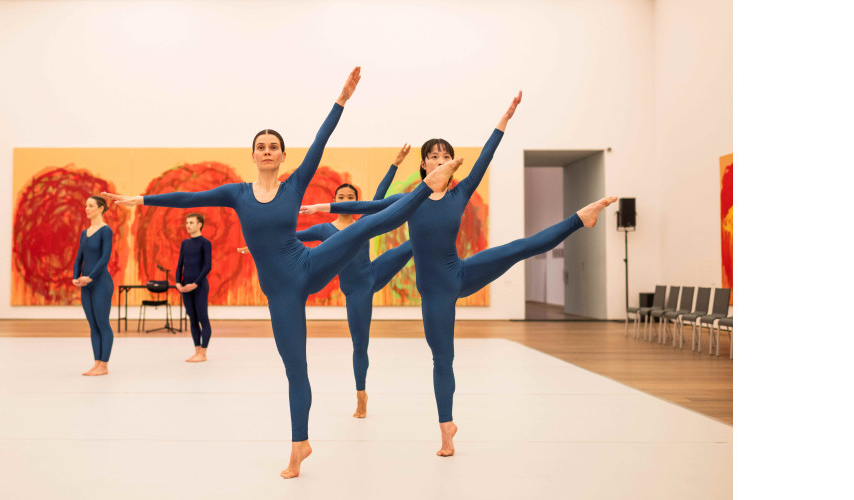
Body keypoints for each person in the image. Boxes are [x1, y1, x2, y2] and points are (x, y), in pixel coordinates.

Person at [100, 67, 464, 478]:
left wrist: (341, 100)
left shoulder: (294, 186)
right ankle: (300, 444)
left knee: (366, 225)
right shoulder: (236, 194)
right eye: (262, 146)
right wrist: (139, 199)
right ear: (253, 154)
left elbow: (322, 143)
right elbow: (188, 197)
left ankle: (427, 186)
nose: (268, 151)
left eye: (274, 146)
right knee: (295, 369)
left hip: (308, 264)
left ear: (283, 155)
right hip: (282, 292)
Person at [302, 91, 618, 457]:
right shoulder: (409, 200)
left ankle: (582, 217)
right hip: (434, 293)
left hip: (460, 273)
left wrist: (505, 120)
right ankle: (447, 428)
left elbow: (485, 156)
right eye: (433, 156)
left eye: (445, 155)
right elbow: (366, 205)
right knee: (442, 359)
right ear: (423, 166)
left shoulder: (461, 192)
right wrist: (321, 206)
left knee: (520, 247)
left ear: (452, 163)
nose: (440, 159)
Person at [294, 146, 414, 418]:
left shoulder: (364, 221)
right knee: (360, 344)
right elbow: (292, 237)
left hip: (374, 272)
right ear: (334, 201)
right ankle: (361, 395)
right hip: (357, 291)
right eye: (341, 197)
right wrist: (257, 246)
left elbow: (380, 196)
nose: (346, 200)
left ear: (355, 202)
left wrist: (395, 164)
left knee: (414, 243)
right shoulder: (324, 229)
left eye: (351, 197)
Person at [73, 195, 114, 377]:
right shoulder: (84, 233)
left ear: (101, 208)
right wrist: (76, 277)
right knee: (93, 325)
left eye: (90, 206)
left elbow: (105, 258)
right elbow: (79, 258)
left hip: (101, 283)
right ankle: (96, 363)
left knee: (103, 324)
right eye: (86, 205)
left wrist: (90, 277)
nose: (86, 209)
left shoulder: (106, 231)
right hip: (86, 284)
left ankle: (104, 365)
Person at [176, 213, 212, 362]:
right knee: (192, 319)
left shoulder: (205, 243)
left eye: (191, 222)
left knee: (203, 318)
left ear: (199, 225)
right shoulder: (185, 243)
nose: (188, 225)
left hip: (199, 286)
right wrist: (178, 282)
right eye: (187, 222)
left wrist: (195, 284)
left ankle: (203, 353)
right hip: (185, 287)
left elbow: (207, 266)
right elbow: (180, 265)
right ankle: (197, 351)